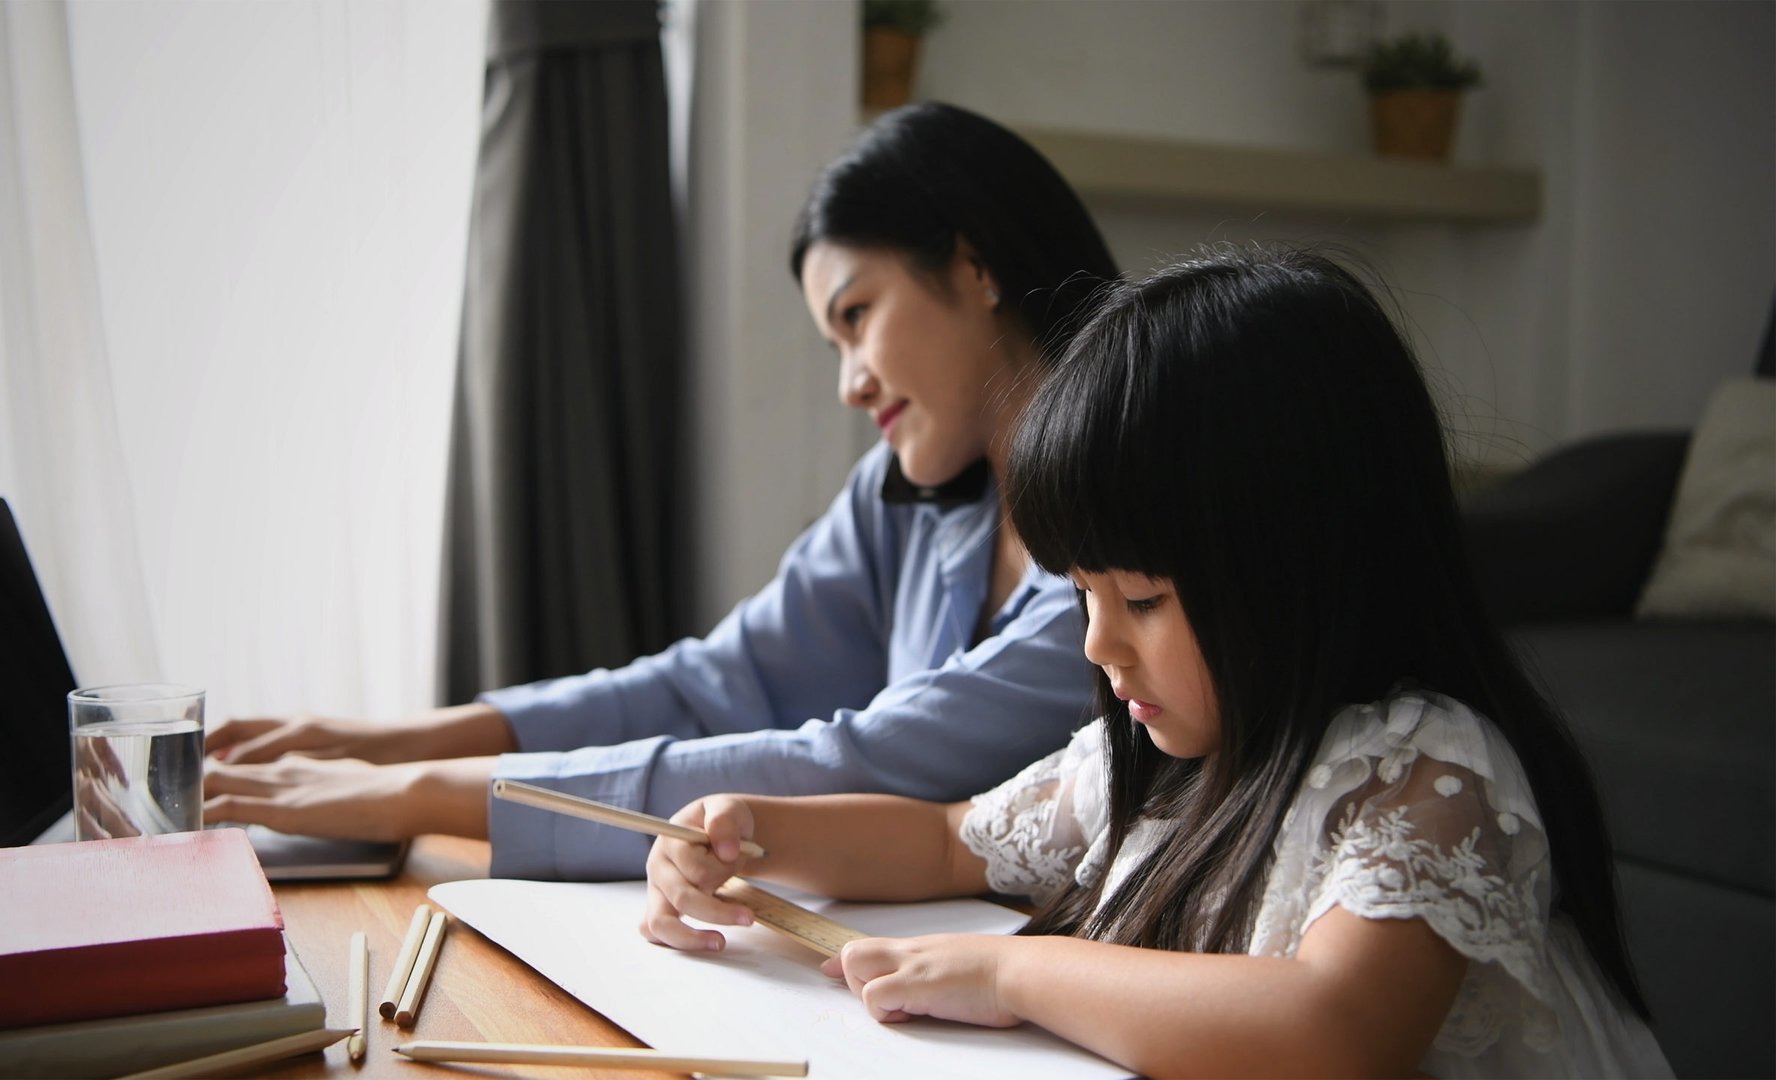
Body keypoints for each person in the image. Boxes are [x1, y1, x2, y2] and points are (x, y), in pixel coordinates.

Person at [641, 247, 1672, 1077]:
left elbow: (1334, 1030)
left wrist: (1013, 975)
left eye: (1142, 599)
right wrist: (755, 833)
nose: (1098, 643)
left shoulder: (1430, 777)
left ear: (1306, 564)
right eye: (1085, 593)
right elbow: (948, 842)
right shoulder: (1158, 758)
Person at [201, 102, 1121, 879]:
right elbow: (714, 686)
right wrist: (397, 740)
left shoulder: (1131, 524)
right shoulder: (903, 501)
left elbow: (860, 766)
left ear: (973, 264)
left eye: (856, 316)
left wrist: (425, 796)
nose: (850, 384)